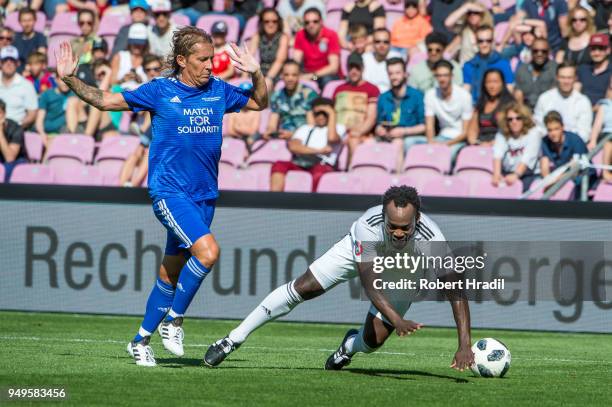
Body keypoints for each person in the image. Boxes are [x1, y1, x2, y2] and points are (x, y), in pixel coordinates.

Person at [57, 25, 268, 367]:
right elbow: (105, 100)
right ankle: (175, 320)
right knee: (208, 252)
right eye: (202, 60)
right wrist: (70, 79)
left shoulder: (219, 91)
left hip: (205, 196)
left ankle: (140, 341)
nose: (210, 66)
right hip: (169, 192)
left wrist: (257, 72)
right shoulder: (158, 91)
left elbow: (260, 102)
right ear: (182, 60)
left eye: (212, 59)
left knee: (170, 274)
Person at [204, 186, 475, 375]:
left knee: (373, 342)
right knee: (305, 287)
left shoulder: (432, 239)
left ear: (417, 219)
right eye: (392, 225)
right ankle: (232, 339)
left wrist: (464, 344)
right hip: (357, 253)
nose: (398, 232)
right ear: (384, 216)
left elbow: (456, 292)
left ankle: (348, 347)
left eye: (406, 227)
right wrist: (398, 319)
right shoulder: (367, 227)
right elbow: (371, 285)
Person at [270, 97, 343, 192]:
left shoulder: (339, 128)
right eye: (317, 113)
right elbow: (294, 146)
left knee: (319, 173)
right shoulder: (305, 128)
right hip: (302, 163)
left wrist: (331, 113)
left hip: (323, 164)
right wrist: (319, 151)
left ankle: (312, 203)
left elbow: (332, 138)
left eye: (324, 113)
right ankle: (275, 199)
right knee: (279, 165)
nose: (321, 116)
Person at [118, 54, 164, 188]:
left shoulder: (167, 87)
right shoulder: (144, 88)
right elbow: (136, 109)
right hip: (148, 130)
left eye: (156, 69)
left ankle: (133, 186)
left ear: (161, 69)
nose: (152, 72)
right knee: (135, 154)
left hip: (162, 131)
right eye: (148, 70)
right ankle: (121, 189)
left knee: (148, 152)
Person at [375, 57, 425, 172]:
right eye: (391, 73)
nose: (394, 77)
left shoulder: (416, 96)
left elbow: (424, 126)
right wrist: (380, 130)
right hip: (387, 136)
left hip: (408, 136)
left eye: (397, 73)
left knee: (398, 143)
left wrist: (404, 131)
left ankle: (397, 180)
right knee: (367, 143)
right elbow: (378, 123)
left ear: (405, 74)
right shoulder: (383, 97)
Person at [333, 52, 380, 162]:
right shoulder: (339, 89)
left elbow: (371, 117)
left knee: (354, 140)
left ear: (362, 68)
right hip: (339, 132)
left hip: (360, 132)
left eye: (357, 68)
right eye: (351, 68)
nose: (354, 71)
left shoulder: (372, 89)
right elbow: (333, 114)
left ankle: (353, 172)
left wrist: (359, 132)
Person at [425, 60, 473, 161]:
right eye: (439, 75)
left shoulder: (464, 96)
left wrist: (445, 145)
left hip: (459, 140)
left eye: (445, 75)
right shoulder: (430, 95)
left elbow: (465, 132)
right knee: (417, 147)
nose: (442, 79)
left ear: (452, 76)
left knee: (446, 156)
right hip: (441, 136)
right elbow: (429, 125)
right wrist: (431, 142)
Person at [534, 62, 593, 143]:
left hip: (573, 147)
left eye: (569, 78)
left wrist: (564, 141)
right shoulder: (544, 98)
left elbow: (584, 133)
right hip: (548, 145)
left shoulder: (583, 101)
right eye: (562, 77)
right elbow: (539, 127)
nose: (566, 81)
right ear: (557, 77)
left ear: (575, 78)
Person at [492, 102, 542, 192]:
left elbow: (527, 158)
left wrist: (516, 175)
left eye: (518, 118)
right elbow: (497, 154)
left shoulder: (534, 133)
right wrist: (496, 175)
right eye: (510, 119)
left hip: (528, 174)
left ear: (524, 119)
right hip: (507, 172)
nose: (514, 122)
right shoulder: (502, 134)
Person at [540, 110, 594, 192]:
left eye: (556, 129)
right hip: (559, 179)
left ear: (563, 127)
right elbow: (544, 166)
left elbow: (575, 170)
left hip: (583, 177)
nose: (553, 133)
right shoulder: (545, 141)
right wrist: (548, 181)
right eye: (550, 130)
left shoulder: (575, 140)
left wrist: (553, 181)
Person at [264, 60, 317, 140]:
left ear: (299, 75)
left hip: (305, 138)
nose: (290, 78)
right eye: (286, 75)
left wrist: (294, 134)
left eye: (294, 75)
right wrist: (270, 132)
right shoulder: (276, 96)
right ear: (282, 76)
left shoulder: (309, 94)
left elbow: (312, 126)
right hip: (283, 137)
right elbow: (273, 122)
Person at [463, 25, 514, 103]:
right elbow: (466, 92)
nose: (484, 44)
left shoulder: (503, 63)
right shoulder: (469, 65)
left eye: (488, 41)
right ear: (476, 42)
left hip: (498, 106)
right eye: (481, 41)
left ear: (493, 41)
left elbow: (509, 89)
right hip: (476, 105)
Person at [293, 7, 341, 90]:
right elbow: (296, 61)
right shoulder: (300, 35)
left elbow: (333, 68)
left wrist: (312, 76)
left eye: (315, 21)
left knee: (325, 80)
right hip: (308, 73)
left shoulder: (331, 35)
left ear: (321, 22)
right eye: (307, 22)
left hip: (325, 75)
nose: (311, 25)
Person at [467, 69, 515, 146]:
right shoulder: (480, 104)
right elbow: (472, 131)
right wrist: (476, 143)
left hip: (501, 145)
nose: (492, 86)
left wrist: (491, 144)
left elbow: (512, 131)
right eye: (488, 82)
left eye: (495, 82)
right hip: (481, 144)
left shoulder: (510, 105)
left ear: (502, 83)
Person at [247, 8, 289, 85]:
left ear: (278, 23)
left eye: (274, 21)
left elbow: (279, 61)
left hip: (277, 73)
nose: (271, 24)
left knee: (265, 87)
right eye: (266, 21)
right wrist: (244, 77)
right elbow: (249, 57)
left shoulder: (283, 37)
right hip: (261, 70)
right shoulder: (257, 36)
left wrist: (268, 78)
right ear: (262, 23)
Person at [444, 0, 493, 65]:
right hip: (465, 69)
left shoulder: (488, 31)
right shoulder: (464, 29)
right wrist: (466, 7)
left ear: (482, 14)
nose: (472, 15)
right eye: (469, 12)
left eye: (476, 12)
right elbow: (448, 23)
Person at [0, 46, 37, 129]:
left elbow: (32, 114)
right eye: (5, 60)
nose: (9, 63)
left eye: (12, 60)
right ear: (0, 62)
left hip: (14, 130)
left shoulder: (27, 85)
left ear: (18, 63)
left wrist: (18, 126)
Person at [514, 38, 557, 109]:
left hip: (547, 109)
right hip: (526, 110)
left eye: (544, 51)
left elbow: (554, 95)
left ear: (549, 52)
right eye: (535, 51)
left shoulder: (555, 69)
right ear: (531, 51)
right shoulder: (522, 69)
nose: (539, 54)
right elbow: (517, 93)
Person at [35, 77, 76, 145]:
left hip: (64, 132)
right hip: (47, 132)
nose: (65, 84)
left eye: (68, 81)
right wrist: (42, 134)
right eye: (63, 80)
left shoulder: (74, 95)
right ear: (56, 80)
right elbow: (39, 120)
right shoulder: (47, 94)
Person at [362, 28, 402, 93]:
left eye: (385, 42)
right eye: (378, 42)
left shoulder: (397, 58)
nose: (382, 45)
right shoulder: (365, 58)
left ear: (390, 43)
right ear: (372, 43)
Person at [111, 23, 148, 90]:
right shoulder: (119, 57)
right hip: (121, 95)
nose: (137, 46)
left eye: (140, 43)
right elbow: (111, 83)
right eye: (134, 42)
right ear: (129, 42)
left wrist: (140, 80)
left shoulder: (149, 59)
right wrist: (123, 80)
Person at [577, 33, 612, 106]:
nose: (597, 53)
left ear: (608, 50)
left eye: (601, 49)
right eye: (593, 49)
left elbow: (608, 103)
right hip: (580, 111)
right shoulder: (582, 69)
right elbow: (575, 95)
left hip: (602, 113)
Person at [12, 7, 46, 73]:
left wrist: (29, 70)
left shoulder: (40, 37)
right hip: (16, 73)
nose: (27, 24)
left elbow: (40, 58)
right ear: (19, 22)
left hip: (33, 72)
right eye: (24, 21)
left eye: (30, 20)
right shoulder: (15, 37)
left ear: (35, 21)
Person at [0, 98, 26, 181]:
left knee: (7, 167)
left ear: (4, 114)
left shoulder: (16, 128)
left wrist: (0, 132)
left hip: (17, 160)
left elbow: (10, 158)